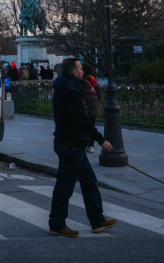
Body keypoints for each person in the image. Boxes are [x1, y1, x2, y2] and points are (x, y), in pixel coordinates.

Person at [48, 57, 117, 238]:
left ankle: (97, 220)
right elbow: (82, 119)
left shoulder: (67, 87)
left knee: (89, 181)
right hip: (70, 144)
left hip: (73, 143)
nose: (83, 71)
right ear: (73, 72)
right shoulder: (70, 90)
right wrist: (101, 141)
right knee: (65, 186)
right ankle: (57, 224)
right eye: (80, 68)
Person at [81, 62, 101, 153]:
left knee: (84, 126)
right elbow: (99, 93)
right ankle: (91, 145)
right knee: (92, 126)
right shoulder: (93, 81)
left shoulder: (81, 81)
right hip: (93, 107)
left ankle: (85, 143)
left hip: (85, 107)